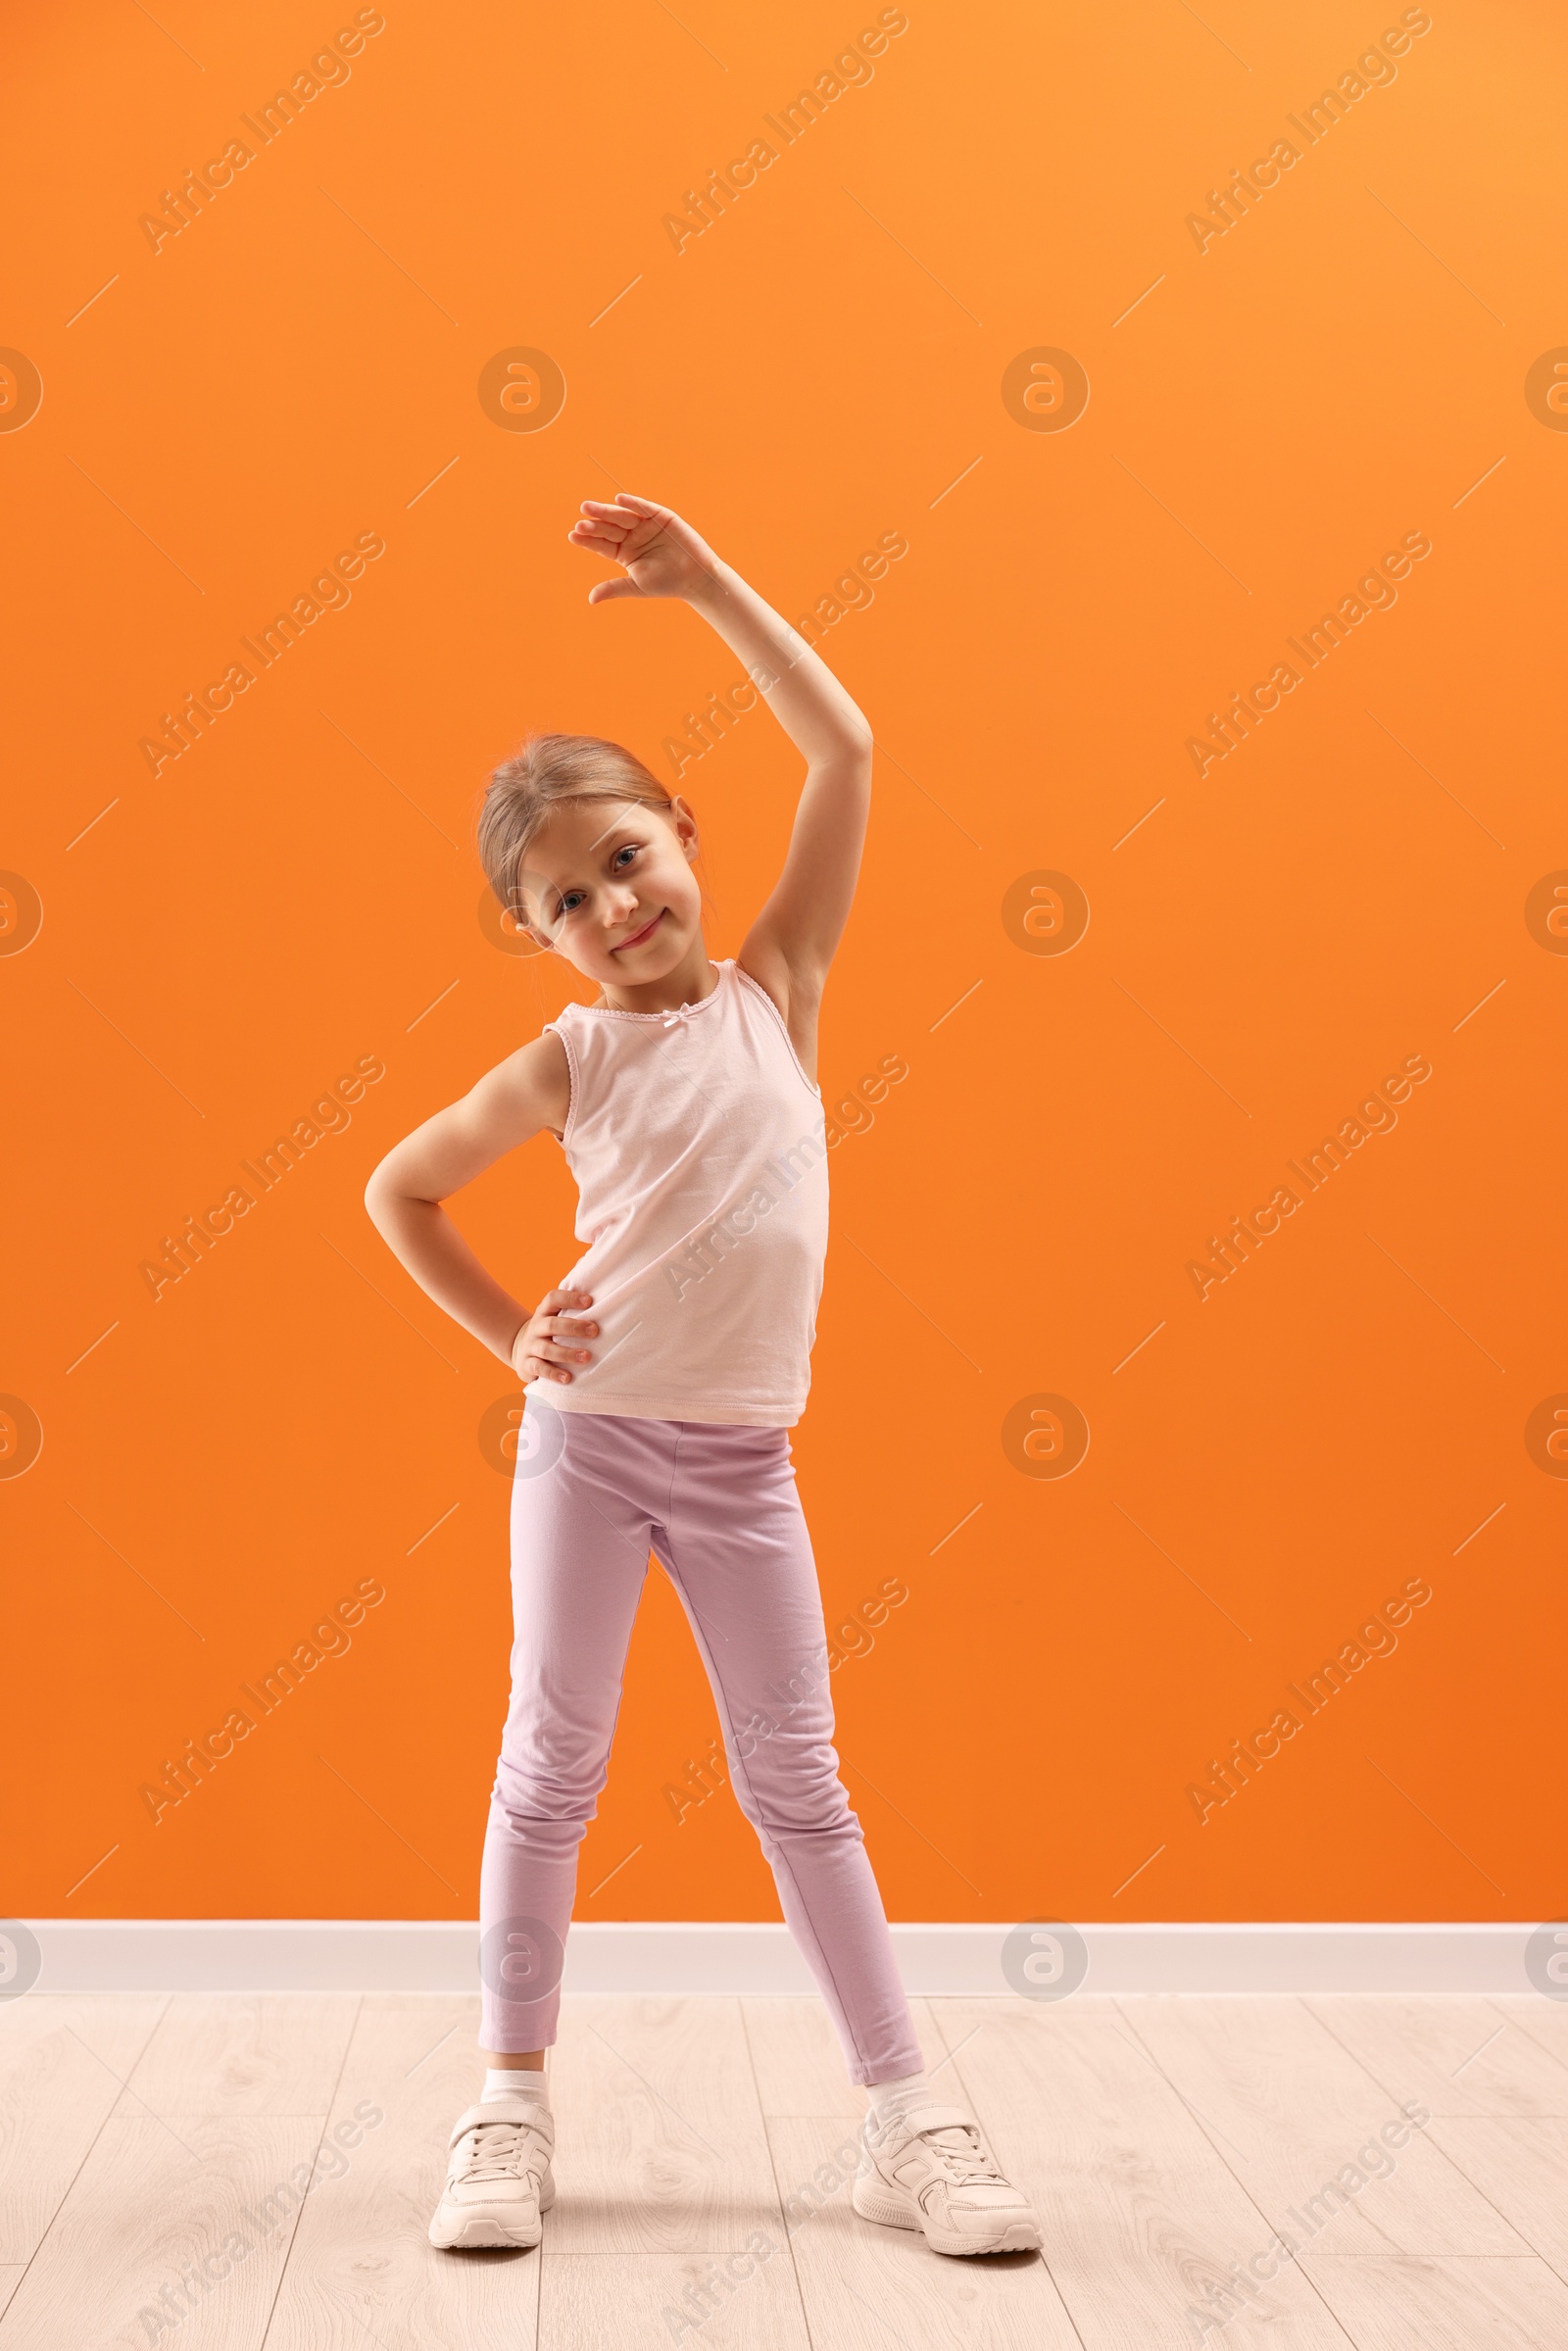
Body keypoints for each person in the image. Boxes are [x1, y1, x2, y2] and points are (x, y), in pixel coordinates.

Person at [364, 493, 1040, 2261]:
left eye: (625, 859)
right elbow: (400, 1188)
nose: (612, 905)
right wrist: (513, 1330)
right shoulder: (569, 1059)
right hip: (588, 1454)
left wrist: (706, 586)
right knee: (550, 1768)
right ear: (542, 940)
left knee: (800, 1781)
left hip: (744, 1465)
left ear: (683, 830)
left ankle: (914, 2117)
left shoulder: (780, 990)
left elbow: (851, 743)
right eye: (564, 901)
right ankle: (507, 2108)